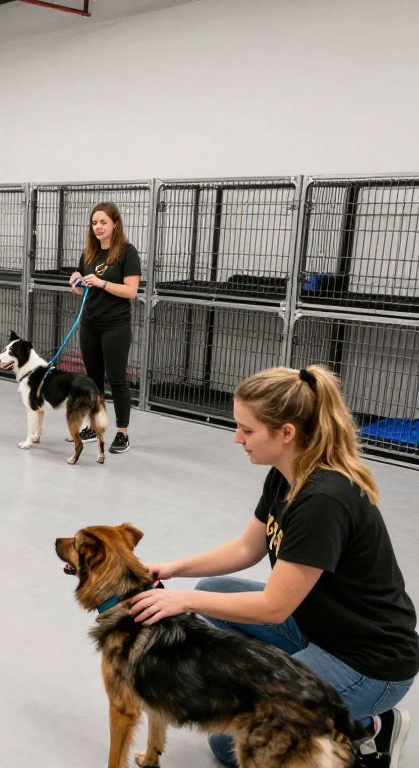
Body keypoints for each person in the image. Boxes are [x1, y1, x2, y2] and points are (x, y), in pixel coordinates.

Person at [129, 364, 417, 768]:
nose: (237, 438)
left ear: (286, 433)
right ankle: (318, 707)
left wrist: (180, 601)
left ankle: (367, 729)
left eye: (247, 430)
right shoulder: (285, 475)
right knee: (212, 593)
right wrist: (174, 569)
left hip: (367, 661)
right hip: (316, 627)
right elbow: (248, 548)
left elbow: (273, 608)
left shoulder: (323, 500)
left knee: (230, 746)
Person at [68, 201, 140, 454]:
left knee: (117, 379)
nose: (98, 227)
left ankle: (122, 433)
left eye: (103, 222)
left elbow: (131, 291)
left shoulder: (127, 253)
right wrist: (75, 283)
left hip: (115, 325)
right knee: (93, 379)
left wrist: (102, 283)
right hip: (90, 323)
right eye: (94, 223)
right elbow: (82, 291)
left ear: (115, 224)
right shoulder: (89, 253)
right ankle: (94, 425)